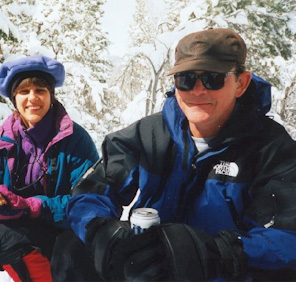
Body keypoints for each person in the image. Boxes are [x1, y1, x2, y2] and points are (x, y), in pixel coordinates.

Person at [55, 28, 296, 281]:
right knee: (71, 247)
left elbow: (288, 236)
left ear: (241, 83)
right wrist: (103, 233)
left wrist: (218, 252)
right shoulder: (149, 135)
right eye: (186, 79)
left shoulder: (271, 150)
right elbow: (92, 191)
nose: (198, 90)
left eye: (214, 78)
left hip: (218, 273)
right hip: (149, 269)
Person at [0, 55, 99, 282]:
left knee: (6, 238)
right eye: (24, 92)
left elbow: (88, 200)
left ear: (50, 96)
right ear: (14, 99)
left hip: (61, 228)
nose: (32, 98)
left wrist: (33, 206)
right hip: (16, 229)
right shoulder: (3, 140)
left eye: (40, 90)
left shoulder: (75, 139)